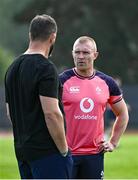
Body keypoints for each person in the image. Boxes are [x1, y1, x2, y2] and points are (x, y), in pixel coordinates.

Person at [4, 14, 73, 179]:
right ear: (52, 37)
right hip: (47, 153)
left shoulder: (12, 68)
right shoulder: (45, 68)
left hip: (23, 152)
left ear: (30, 35)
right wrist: (64, 151)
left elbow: (10, 112)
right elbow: (51, 114)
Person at [59, 36, 129, 179]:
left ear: (95, 55)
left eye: (85, 53)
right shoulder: (61, 81)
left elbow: (122, 113)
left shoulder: (107, 82)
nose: (80, 57)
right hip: (66, 154)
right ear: (72, 54)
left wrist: (113, 142)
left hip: (94, 155)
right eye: (77, 52)